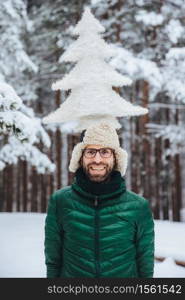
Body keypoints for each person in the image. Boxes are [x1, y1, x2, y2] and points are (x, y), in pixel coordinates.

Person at [44, 122, 154, 278]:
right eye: (90, 152)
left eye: (105, 152)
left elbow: (145, 263)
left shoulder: (138, 206)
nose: (97, 159)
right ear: (81, 157)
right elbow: (53, 261)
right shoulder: (60, 201)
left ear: (115, 158)